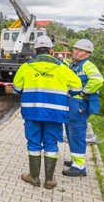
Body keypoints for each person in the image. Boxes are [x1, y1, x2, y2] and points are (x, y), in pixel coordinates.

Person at [13, 36, 82, 189]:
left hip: (32, 111)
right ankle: (49, 180)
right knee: (51, 143)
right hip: (55, 113)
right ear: (51, 51)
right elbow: (77, 88)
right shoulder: (62, 68)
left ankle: (34, 177)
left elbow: (17, 88)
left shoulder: (26, 67)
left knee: (33, 142)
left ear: (35, 51)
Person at [63, 39, 104, 177]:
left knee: (77, 133)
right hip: (72, 103)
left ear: (87, 54)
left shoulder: (88, 66)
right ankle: (76, 160)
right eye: (75, 49)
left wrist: (84, 92)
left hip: (79, 104)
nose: (76, 52)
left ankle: (79, 167)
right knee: (70, 133)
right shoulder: (74, 65)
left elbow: (98, 80)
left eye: (80, 50)